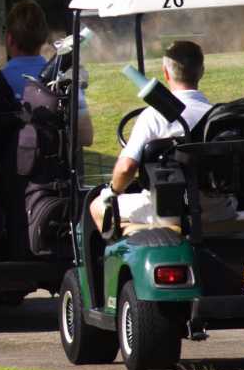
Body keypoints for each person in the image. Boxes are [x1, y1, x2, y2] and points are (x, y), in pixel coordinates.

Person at [88, 40, 234, 231]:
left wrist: (113, 191)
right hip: (220, 209)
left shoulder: (152, 117)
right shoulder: (217, 116)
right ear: (202, 71)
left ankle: (133, 247)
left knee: (98, 206)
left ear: (165, 73)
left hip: (169, 211)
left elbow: (126, 168)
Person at [1, 0, 94, 146]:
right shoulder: (61, 78)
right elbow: (85, 137)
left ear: (10, 39)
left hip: (11, 167)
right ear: (44, 38)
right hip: (55, 167)